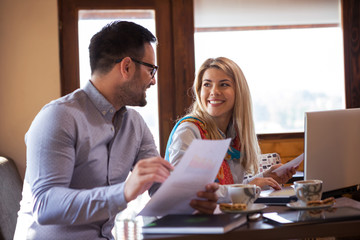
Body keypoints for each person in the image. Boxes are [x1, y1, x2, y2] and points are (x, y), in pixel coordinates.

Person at [14, 21, 218, 240]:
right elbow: (45, 205)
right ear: (127, 67)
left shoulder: (135, 124)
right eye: (151, 69)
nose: (154, 80)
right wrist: (123, 192)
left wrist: (192, 200)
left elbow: (160, 187)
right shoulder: (58, 117)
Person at [165, 57, 297, 202]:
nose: (214, 91)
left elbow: (227, 189)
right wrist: (248, 189)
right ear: (199, 90)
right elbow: (186, 189)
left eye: (223, 84)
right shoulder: (189, 131)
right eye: (207, 84)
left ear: (239, 92)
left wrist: (265, 179)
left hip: (222, 217)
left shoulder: (234, 135)